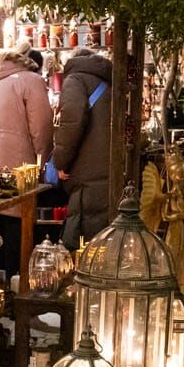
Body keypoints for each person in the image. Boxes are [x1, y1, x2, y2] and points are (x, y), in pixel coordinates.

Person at [0, 42, 53, 274]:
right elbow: (42, 130)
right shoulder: (31, 81)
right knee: (17, 232)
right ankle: (17, 286)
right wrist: (43, 162)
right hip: (19, 167)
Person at [52, 51, 113, 249]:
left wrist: (60, 163)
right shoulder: (109, 81)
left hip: (85, 177)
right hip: (108, 172)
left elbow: (71, 122)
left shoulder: (75, 80)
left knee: (84, 248)